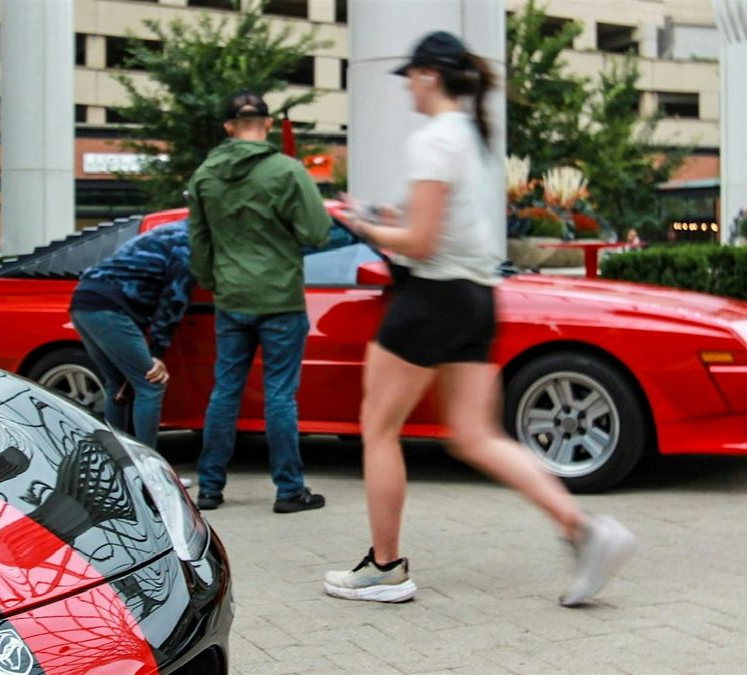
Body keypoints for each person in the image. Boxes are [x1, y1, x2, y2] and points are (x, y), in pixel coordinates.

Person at [324, 32, 636, 607]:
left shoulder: (432, 140)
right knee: (475, 435)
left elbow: (417, 241)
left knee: (379, 428)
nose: (407, 89)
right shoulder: (469, 138)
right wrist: (384, 214)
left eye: (410, 78)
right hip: (474, 298)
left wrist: (359, 225)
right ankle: (585, 530)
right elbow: (437, 224)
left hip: (429, 298)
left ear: (427, 76)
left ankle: (385, 567)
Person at [187, 90, 331, 514]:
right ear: (267, 124)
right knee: (280, 395)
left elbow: (198, 246)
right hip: (281, 297)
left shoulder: (204, 176)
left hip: (231, 299)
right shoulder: (286, 171)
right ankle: (289, 490)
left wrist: (217, 282)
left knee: (225, 391)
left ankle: (210, 489)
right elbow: (318, 232)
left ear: (229, 128)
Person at [69, 221, 194, 449]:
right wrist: (156, 351)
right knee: (151, 384)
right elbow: (174, 299)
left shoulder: (169, 231)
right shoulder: (188, 245)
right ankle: (149, 470)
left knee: (117, 386)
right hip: (110, 308)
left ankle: (117, 462)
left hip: (84, 301)